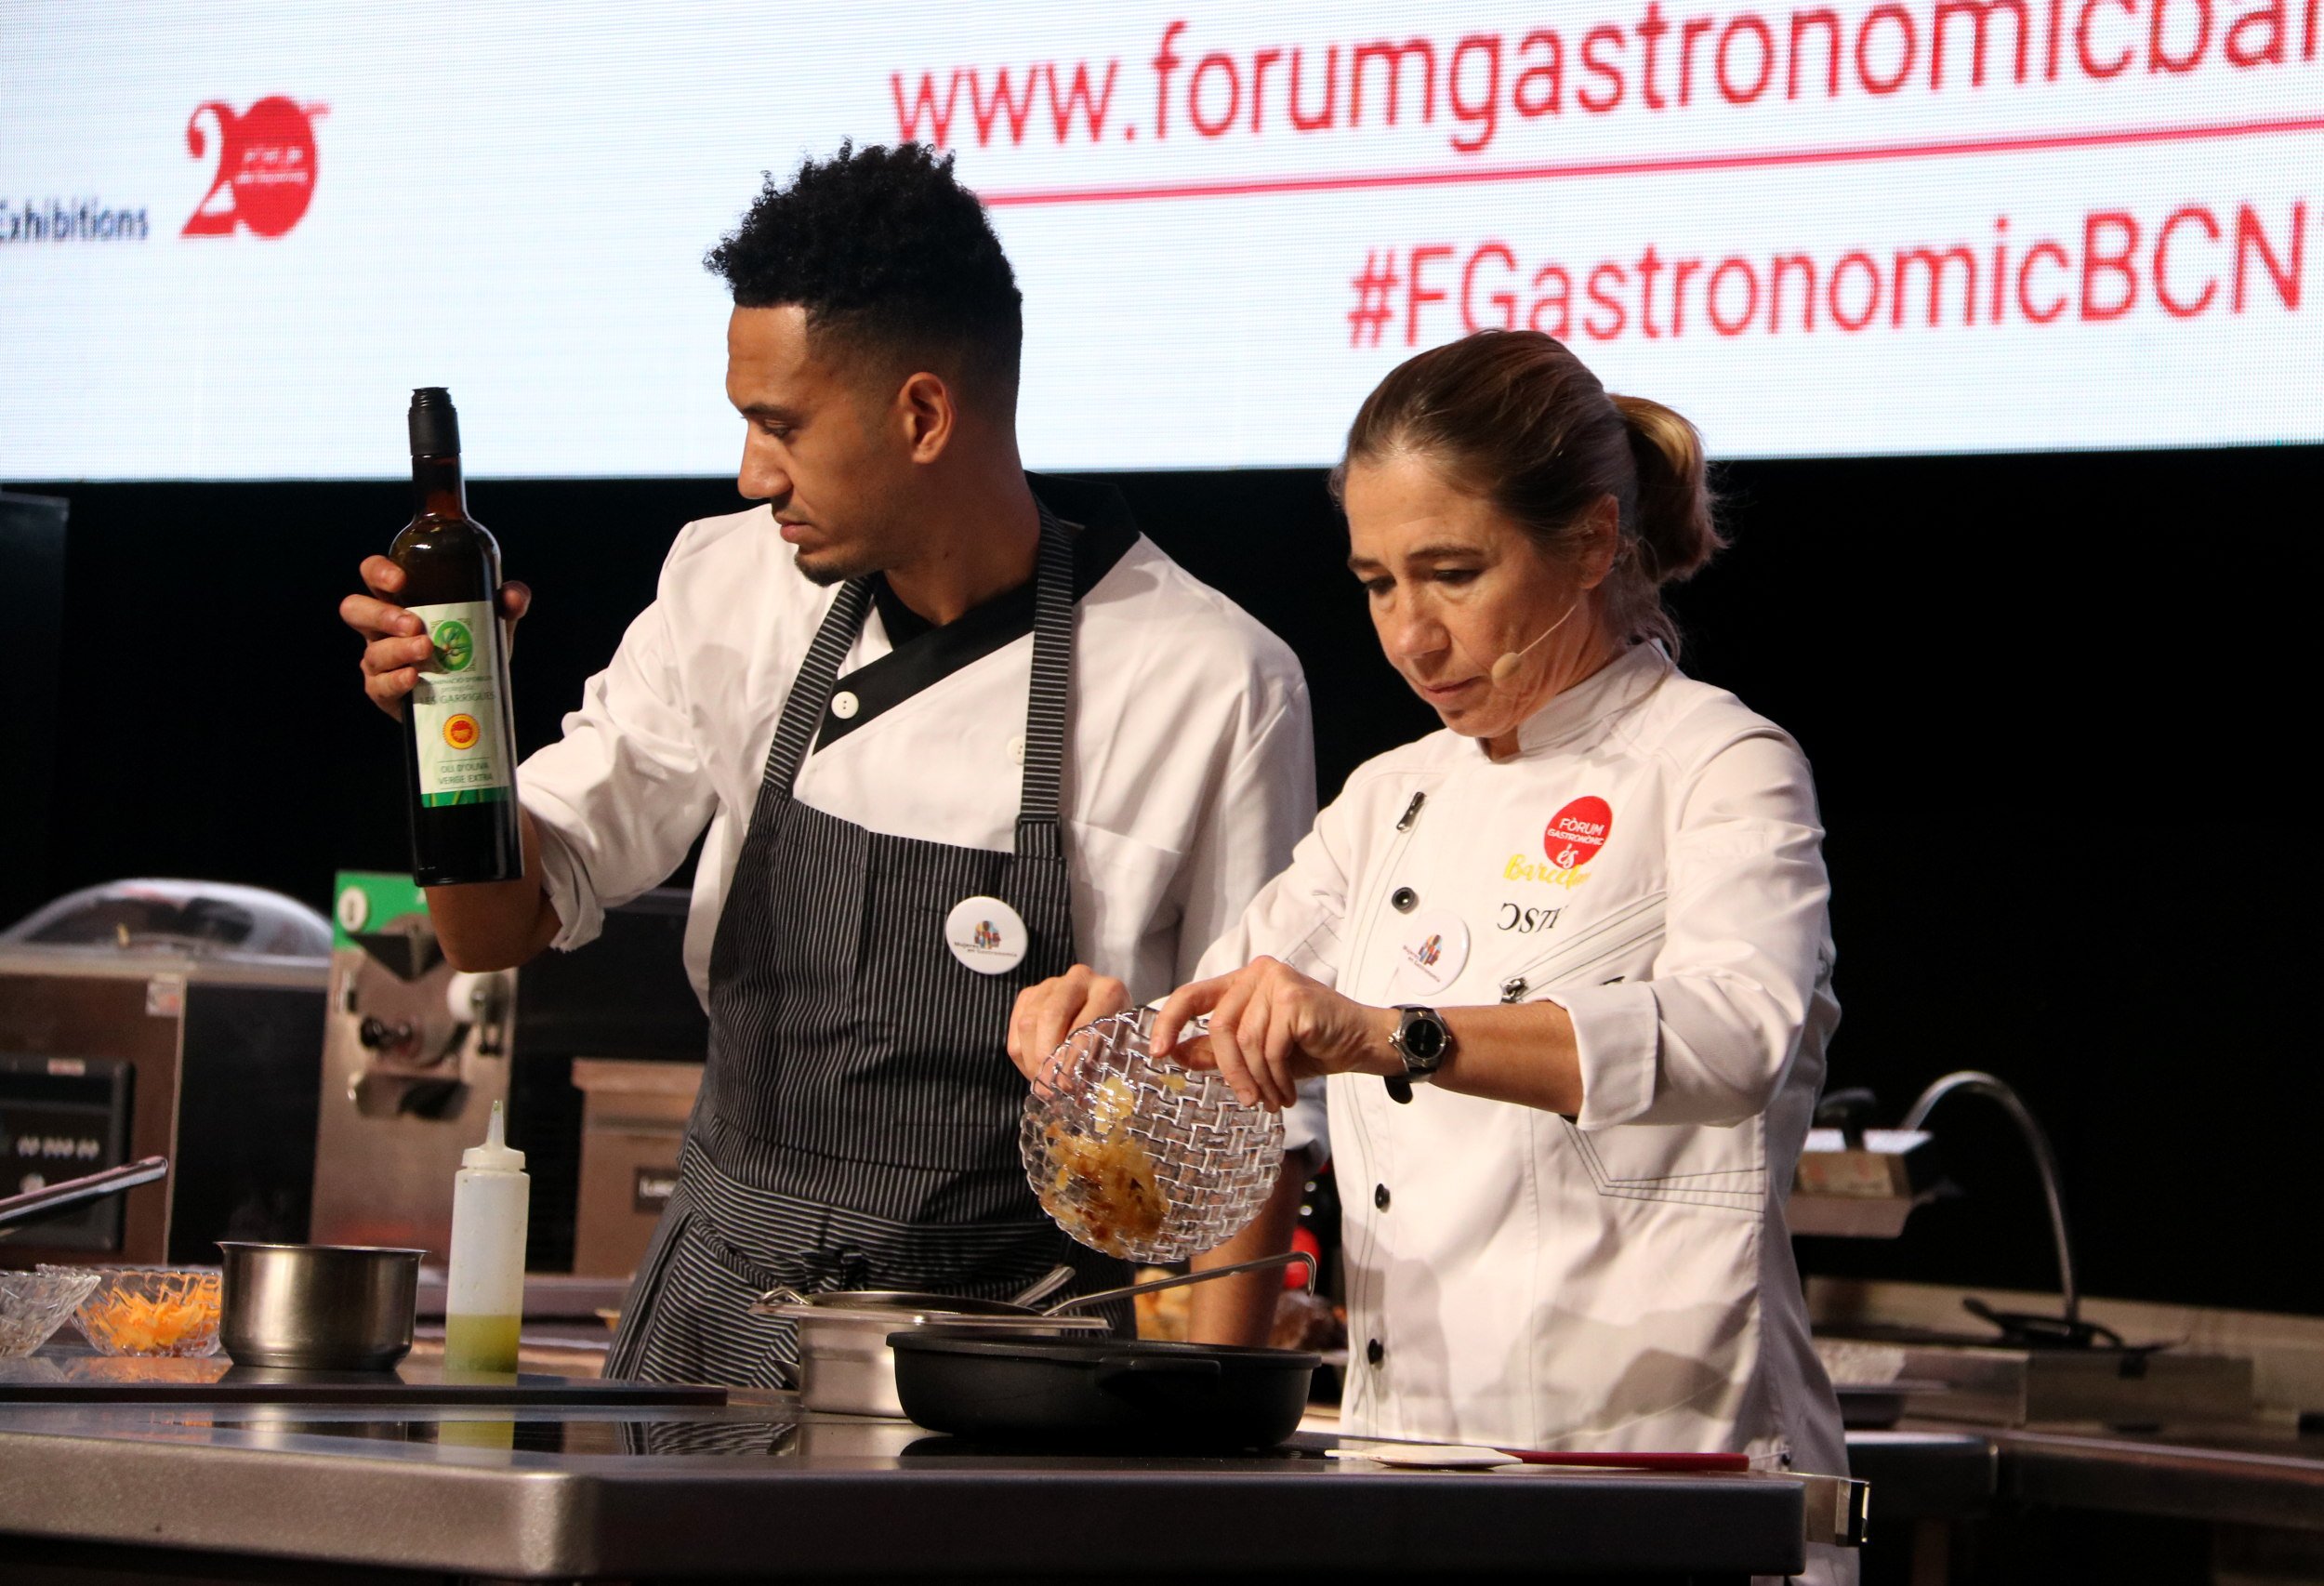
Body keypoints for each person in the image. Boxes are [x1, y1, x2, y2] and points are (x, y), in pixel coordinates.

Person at [340, 143, 1315, 1385]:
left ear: (922, 412)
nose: (753, 474)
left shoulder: (1210, 678)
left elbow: (1252, 1111)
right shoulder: (726, 584)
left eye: (778, 426)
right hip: (714, 1330)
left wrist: (1207, 1442)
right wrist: (453, 744)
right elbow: (492, 928)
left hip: (1010, 1368)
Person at [1010, 330, 1850, 1541]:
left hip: (1660, 1483)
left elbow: (1735, 1035)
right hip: (1411, 1475)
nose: (1410, 634)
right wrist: (1109, 1044)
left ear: (1593, 543)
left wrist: (1392, 1033)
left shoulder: (1719, 763)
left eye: (1452, 571)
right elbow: (1229, 1054)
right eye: (1377, 581)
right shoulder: (1390, 798)